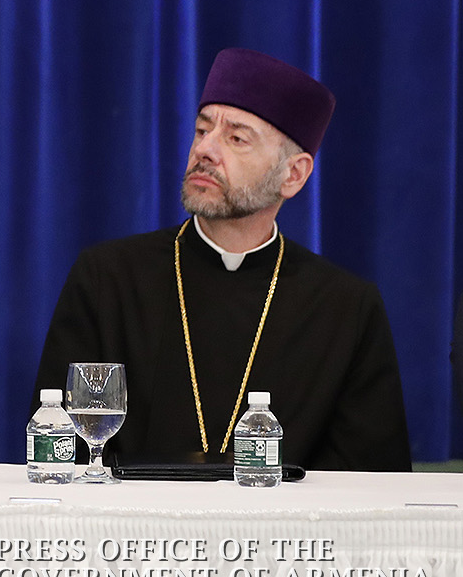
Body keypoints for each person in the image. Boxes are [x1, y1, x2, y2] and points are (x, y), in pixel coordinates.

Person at [35, 48, 411, 471]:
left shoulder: (347, 308)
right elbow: (55, 454)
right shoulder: (107, 279)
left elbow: (368, 483)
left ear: (293, 174)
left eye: (236, 139)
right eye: (202, 130)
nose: (205, 150)